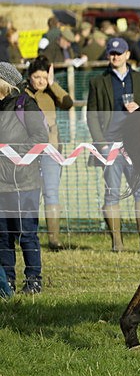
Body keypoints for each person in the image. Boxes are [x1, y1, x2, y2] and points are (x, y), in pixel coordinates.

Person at [86, 38, 140, 252]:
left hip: (137, 146)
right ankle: (117, 243)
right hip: (110, 148)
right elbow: (92, 116)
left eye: (119, 53)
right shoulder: (98, 82)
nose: (115, 56)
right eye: (111, 53)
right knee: (112, 193)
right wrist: (102, 144)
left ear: (127, 54)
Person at [0, 62, 49, 294]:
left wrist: (14, 154)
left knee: (26, 234)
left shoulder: (25, 105)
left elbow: (41, 137)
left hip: (24, 182)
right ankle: (7, 281)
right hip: (0, 184)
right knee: (3, 236)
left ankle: (33, 280)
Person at [25, 56, 73, 250]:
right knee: (29, 195)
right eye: (37, 77)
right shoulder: (22, 95)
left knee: (51, 194)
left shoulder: (51, 93)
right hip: (27, 153)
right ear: (30, 77)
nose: (40, 81)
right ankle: (28, 236)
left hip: (51, 151)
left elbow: (68, 103)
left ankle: (54, 239)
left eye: (44, 77)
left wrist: (53, 84)